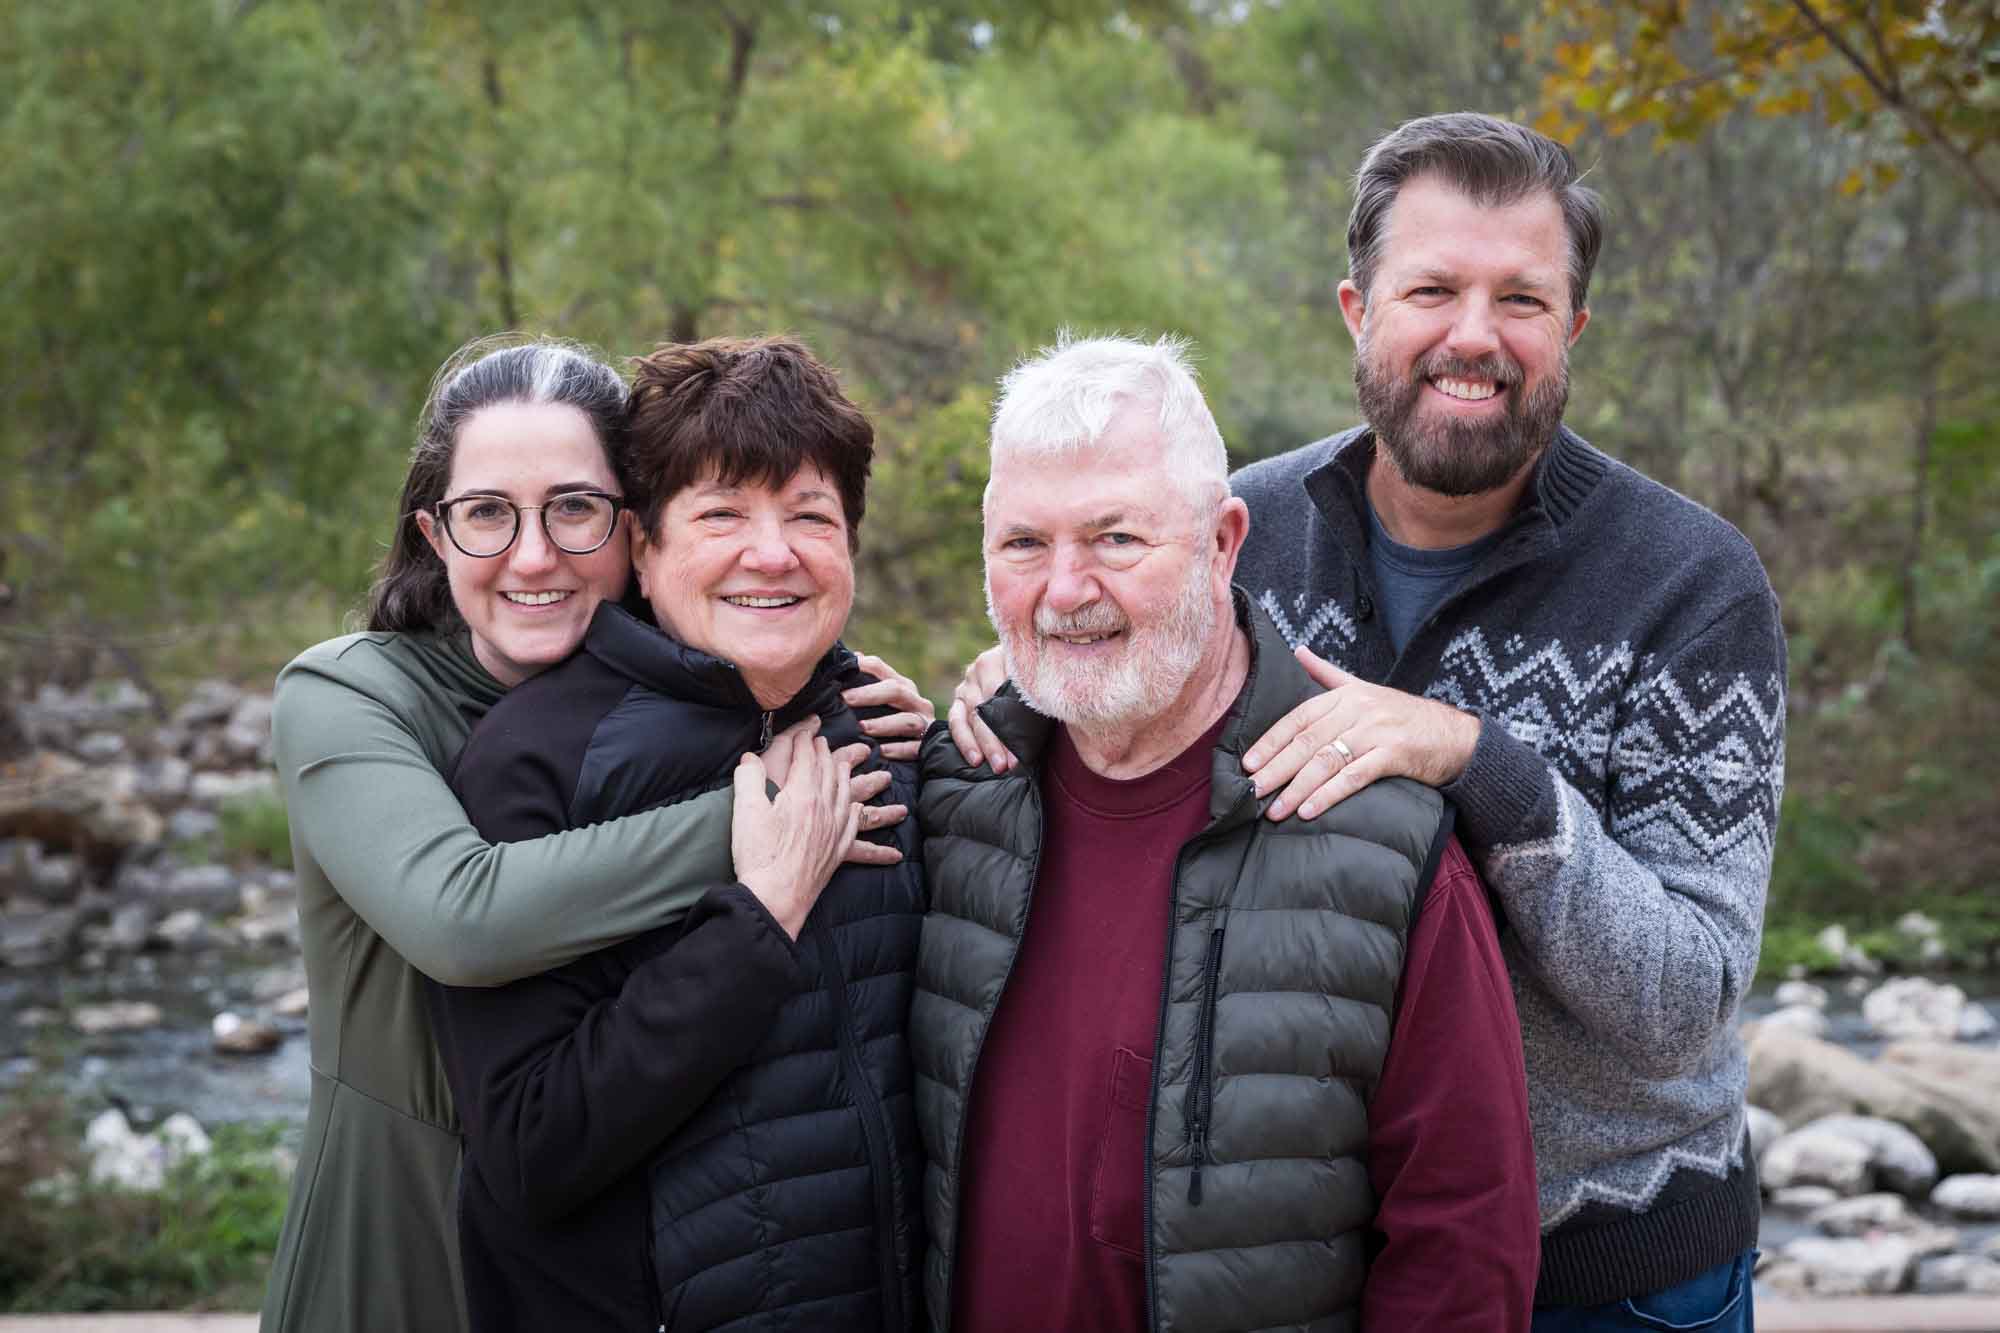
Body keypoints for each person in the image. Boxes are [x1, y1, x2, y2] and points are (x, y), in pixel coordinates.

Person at [951, 115, 1785, 1331]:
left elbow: (1683, 1002)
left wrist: (1481, 763)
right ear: (1355, 308)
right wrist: (1026, 682)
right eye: (1431, 289)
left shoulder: (1690, 583)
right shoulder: (1240, 524)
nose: (1471, 336)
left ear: (1572, 331)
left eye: (1520, 300)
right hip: (1317, 1249)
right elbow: (1107, 696)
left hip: (1613, 1270)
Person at [261, 337, 929, 1333]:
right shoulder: (351, 695)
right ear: (434, 534)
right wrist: (781, 812)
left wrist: (873, 705)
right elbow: (464, 918)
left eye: (573, 508)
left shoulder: (687, 707)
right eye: (486, 512)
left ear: (632, 530)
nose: (534, 556)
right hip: (401, 1229)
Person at [916, 333, 1538, 1333]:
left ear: (1220, 541)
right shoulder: (953, 796)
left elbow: (1463, 1241)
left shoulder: (1378, 841)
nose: (1063, 590)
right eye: (1023, 544)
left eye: (1115, 538)